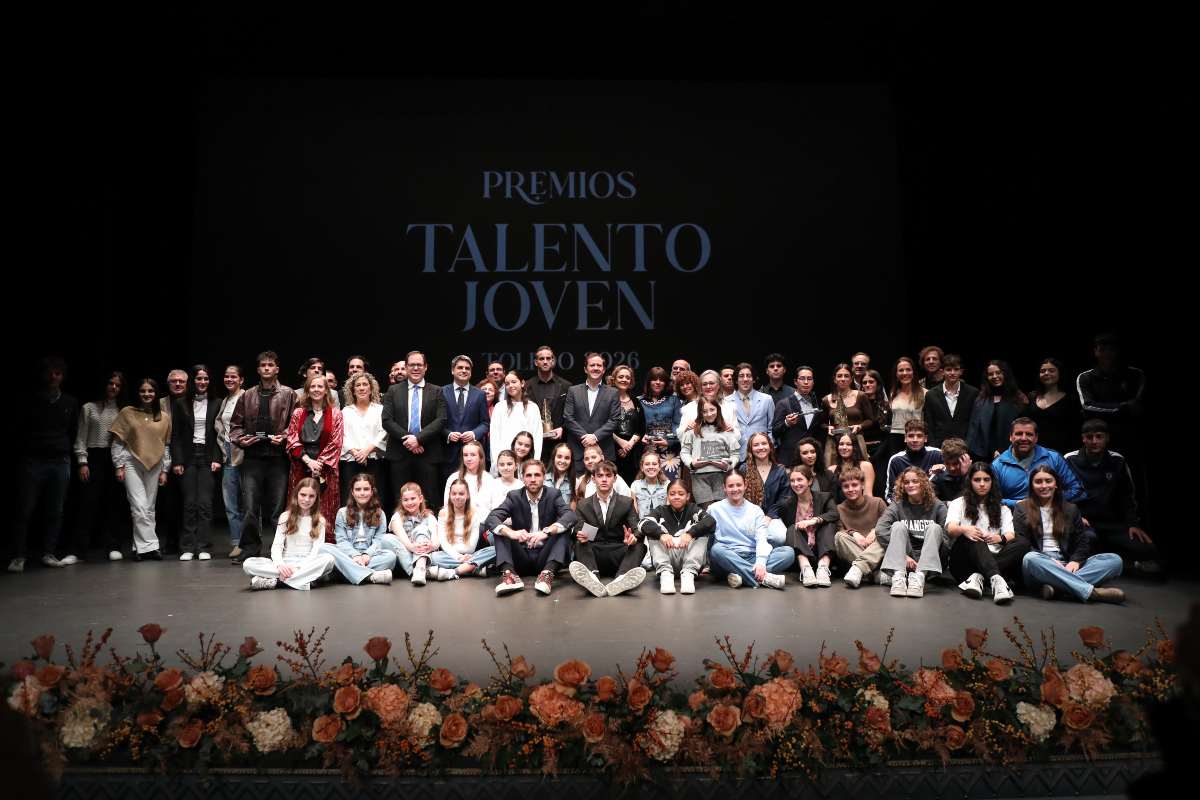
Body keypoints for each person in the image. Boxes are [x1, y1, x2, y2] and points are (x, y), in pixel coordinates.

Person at [1017, 466, 1124, 603]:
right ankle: (1091, 592)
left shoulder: (1070, 509)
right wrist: (1047, 559)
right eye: (1038, 482)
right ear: (1032, 485)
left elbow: (1082, 542)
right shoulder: (1022, 508)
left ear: (1056, 484)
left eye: (1048, 481)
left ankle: (1057, 589)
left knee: (1114, 560)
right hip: (1040, 564)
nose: (1044, 485)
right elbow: (1021, 543)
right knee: (1029, 558)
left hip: (1067, 563)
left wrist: (1075, 561)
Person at [1066, 420, 1160, 574]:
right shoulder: (1070, 459)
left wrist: (1132, 524)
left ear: (1107, 438)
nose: (1094, 441)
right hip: (1083, 522)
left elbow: (1127, 495)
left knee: (1147, 549)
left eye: (1099, 437)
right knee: (1087, 543)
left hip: (1112, 523)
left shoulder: (1118, 460)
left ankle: (1126, 566)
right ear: (1083, 439)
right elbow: (1060, 494)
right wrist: (1074, 516)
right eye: (1089, 437)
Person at [229, 351, 297, 565]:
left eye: (271, 365)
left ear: (277, 369)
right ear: (258, 370)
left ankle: (281, 550)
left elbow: (296, 425)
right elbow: (234, 427)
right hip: (253, 457)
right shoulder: (247, 395)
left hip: (278, 458)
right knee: (250, 507)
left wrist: (285, 437)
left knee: (278, 510)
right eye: (263, 365)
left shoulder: (289, 394)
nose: (267, 368)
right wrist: (241, 440)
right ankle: (250, 548)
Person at [486, 459, 578, 595]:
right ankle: (510, 576)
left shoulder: (553, 495)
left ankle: (547, 576)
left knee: (562, 530)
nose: (533, 479)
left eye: (537, 475)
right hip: (521, 556)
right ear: (522, 478)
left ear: (544, 477)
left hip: (545, 557)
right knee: (500, 531)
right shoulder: (514, 496)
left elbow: (570, 516)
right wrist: (512, 533)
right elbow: (492, 518)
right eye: (529, 475)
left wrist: (547, 531)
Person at [944, 462, 1027, 603]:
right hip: (964, 563)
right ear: (970, 482)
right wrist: (965, 529)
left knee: (1023, 543)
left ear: (992, 482)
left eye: (986, 480)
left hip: (995, 558)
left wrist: (999, 538)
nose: (982, 484)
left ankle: (982, 577)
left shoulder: (1003, 509)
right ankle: (997, 580)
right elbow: (951, 529)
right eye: (977, 480)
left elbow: (1010, 534)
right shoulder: (958, 503)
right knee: (974, 536)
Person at [69, 371, 129, 563]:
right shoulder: (89, 408)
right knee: (87, 503)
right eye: (111, 383)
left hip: (114, 457)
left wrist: (122, 462)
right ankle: (79, 550)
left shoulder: (122, 409)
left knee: (113, 503)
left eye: (118, 385)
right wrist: (82, 461)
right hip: (93, 456)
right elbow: (81, 437)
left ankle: (113, 545)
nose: (114, 387)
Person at [110, 378, 172, 561]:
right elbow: (118, 442)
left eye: (151, 391)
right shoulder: (127, 413)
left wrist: (165, 470)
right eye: (143, 391)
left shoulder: (163, 416)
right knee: (139, 506)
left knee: (149, 508)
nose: (147, 394)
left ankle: (140, 548)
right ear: (138, 393)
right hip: (131, 463)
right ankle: (152, 546)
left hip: (156, 464)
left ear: (156, 393)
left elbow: (166, 445)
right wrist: (118, 465)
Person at [568, 459, 647, 597]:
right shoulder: (583, 505)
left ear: (615, 478)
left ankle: (622, 578)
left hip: (619, 552)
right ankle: (592, 578)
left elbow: (637, 528)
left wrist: (633, 538)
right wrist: (581, 534)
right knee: (579, 544)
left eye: (608, 475)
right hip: (594, 554)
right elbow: (578, 529)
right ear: (593, 479)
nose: (604, 479)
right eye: (600, 476)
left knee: (640, 547)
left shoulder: (626, 502)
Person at [241, 477, 336, 590]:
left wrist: (298, 568)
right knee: (248, 564)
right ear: (296, 495)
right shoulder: (285, 517)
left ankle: (276, 582)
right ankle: (302, 581)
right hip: (285, 563)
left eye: (311, 496)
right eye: (303, 495)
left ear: (316, 498)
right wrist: (280, 565)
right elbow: (277, 546)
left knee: (329, 559)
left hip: (306, 564)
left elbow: (315, 551)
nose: (306, 500)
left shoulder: (320, 521)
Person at [381, 350, 447, 512]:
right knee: (400, 499)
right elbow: (387, 420)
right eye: (412, 365)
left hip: (428, 453)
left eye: (419, 365)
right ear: (406, 367)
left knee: (429, 499)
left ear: (426, 367)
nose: (416, 368)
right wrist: (410, 440)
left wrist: (419, 439)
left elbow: (441, 419)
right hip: (400, 454)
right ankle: (401, 535)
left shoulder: (437, 391)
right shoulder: (393, 391)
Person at [707, 471, 794, 589]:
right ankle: (763, 578)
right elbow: (707, 537)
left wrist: (761, 562)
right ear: (724, 488)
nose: (735, 489)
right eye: (731, 486)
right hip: (727, 556)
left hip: (751, 555)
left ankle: (741, 576)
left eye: (738, 485)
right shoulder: (714, 509)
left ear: (745, 485)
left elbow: (762, 538)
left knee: (788, 553)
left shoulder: (755, 510)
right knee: (716, 550)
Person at [170, 365, 222, 561]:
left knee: (205, 504)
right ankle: (188, 547)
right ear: (193, 381)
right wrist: (177, 460)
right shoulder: (181, 403)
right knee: (190, 503)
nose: (202, 382)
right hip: (189, 456)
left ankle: (204, 546)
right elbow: (175, 435)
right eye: (199, 379)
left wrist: (217, 458)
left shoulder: (217, 402)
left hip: (208, 456)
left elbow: (219, 434)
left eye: (205, 379)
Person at [285, 373, 344, 541]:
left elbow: (336, 442)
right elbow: (292, 440)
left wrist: (319, 464)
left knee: (325, 508)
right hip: (301, 466)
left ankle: (325, 543)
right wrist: (308, 461)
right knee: (300, 504)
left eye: (320, 386)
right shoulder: (298, 413)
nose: (316, 390)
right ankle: (297, 542)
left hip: (325, 469)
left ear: (326, 390)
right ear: (307, 390)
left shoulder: (336, 414)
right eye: (313, 386)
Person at [877, 467, 949, 599]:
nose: (910, 485)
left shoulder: (938, 506)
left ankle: (919, 577)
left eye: (915, 481)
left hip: (930, 560)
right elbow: (880, 529)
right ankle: (899, 577)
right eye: (906, 482)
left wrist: (925, 559)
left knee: (935, 528)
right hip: (907, 558)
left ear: (923, 483)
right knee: (897, 526)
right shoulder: (897, 505)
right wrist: (902, 555)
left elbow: (947, 537)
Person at [638, 480, 715, 594]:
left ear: (688, 496)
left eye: (681, 493)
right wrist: (661, 534)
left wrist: (690, 533)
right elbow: (642, 523)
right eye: (672, 494)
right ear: (667, 496)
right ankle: (666, 574)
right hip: (667, 559)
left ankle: (688, 574)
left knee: (702, 528)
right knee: (653, 529)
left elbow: (710, 521)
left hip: (689, 558)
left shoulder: (693, 509)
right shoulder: (661, 510)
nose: (676, 497)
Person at [992, 418, 1085, 507]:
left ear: (1036, 438)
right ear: (1010, 437)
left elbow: (1077, 490)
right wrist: (1018, 504)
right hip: (1014, 517)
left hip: (1054, 513)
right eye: (1019, 434)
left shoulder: (1053, 457)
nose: (1024, 438)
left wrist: (1049, 501)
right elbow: (991, 499)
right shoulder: (998, 464)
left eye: (1029, 434)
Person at [322, 473, 397, 585]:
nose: (362, 493)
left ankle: (347, 572)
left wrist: (367, 554)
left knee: (390, 557)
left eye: (366, 489)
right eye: (358, 489)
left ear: (372, 491)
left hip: (369, 556)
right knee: (324, 547)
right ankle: (371, 576)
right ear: (352, 492)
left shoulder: (380, 513)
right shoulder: (342, 513)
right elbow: (342, 540)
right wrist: (355, 555)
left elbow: (379, 540)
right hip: (348, 554)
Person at [776, 465, 840, 587]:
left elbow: (834, 514)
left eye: (800, 480)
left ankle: (823, 569)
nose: (795, 484)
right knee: (791, 529)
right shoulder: (786, 505)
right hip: (801, 553)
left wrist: (813, 521)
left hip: (822, 549)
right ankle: (806, 570)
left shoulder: (824, 497)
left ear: (810, 481)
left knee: (828, 525)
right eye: (792, 481)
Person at [563, 352, 621, 471]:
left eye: (599, 366)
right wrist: (585, 437)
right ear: (585, 369)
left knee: (604, 486)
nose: (595, 368)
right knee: (577, 488)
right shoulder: (573, 391)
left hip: (603, 451)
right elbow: (568, 418)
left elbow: (614, 420)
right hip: (578, 451)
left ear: (604, 370)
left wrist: (595, 436)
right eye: (592, 365)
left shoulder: (613, 393)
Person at [833, 467, 889, 588]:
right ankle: (874, 575)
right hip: (855, 549)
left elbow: (889, 524)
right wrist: (853, 533)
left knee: (885, 536)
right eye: (846, 486)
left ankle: (860, 569)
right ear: (842, 489)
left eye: (854, 485)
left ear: (862, 485)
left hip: (878, 551)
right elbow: (839, 531)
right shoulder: (839, 509)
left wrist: (876, 531)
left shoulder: (877, 502)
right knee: (839, 537)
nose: (851, 489)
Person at [680, 396, 741, 506]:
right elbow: (684, 452)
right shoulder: (693, 431)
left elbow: (735, 454)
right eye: (704, 411)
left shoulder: (726, 430)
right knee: (706, 511)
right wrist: (691, 464)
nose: (709, 414)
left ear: (718, 409)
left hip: (721, 476)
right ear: (700, 413)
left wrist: (728, 466)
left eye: (712, 410)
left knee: (722, 510)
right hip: (699, 478)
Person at [388, 481, 451, 585]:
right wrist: (413, 547)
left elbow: (436, 541)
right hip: (406, 554)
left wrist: (432, 546)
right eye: (406, 500)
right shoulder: (397, 517)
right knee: (387, 538)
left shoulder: (429, 517)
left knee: (421, 529)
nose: (409, 502)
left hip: (426, 554)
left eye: (413, 498)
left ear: (420, 499)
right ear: (401, 501)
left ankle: (420, 568)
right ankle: (424, 571)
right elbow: (404, 541)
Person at [339, 372, 387, 505]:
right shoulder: (345, 412)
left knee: (376, 499)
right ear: (352, 390)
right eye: (358, 385)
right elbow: (341, 435)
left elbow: (384, 432)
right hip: (351, 461)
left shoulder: (380, 410)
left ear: (371, 389)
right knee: (349, 499)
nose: (361, 388)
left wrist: (367, 451)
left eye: (365, 384)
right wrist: (355, 452)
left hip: (374, 461)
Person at [432, 478, 496, 577]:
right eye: (454, 494)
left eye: (461, 494)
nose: (457, 497)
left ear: (467, 495)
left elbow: (471, 547)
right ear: (450, 495)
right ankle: (474, 568)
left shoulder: (474, 514)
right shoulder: (443, 513)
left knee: (495, 550)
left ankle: (455, 571)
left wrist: (463, 556)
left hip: (470, 554)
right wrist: (459, 557)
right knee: (435, 557)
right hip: (452, 555)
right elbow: (443, 543)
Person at [441, 355, 489, 484]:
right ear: (452, 370)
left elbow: (485, 423)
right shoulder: (441, 392)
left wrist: (474, 434)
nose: (464, 370)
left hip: (472, 453)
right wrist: (448, 434)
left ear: (471, 372)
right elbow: (436, 421)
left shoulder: (479, 394)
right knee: (450, 488)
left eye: (467, 368)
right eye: (460, 367)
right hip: (448, 452)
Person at [214, 365, 246, 559]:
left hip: (245, 453)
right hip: (227, 452)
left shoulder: (247, 396)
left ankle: (250, 542)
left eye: (233, 376)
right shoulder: (225, 400)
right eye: (226, 376)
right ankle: (237, 542)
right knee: (231, 503)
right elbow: (220, 427)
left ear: (241, 379)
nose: (229, 379)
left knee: (249, 502)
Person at [967, 360, 1028, 460]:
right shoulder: (981, 399)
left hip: (1011, 451)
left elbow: (1021, 427)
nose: (995, 376)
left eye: (998, 373)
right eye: (991, 374)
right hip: (983, 453)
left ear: (1005, 374)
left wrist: (1002, 450)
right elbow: (973, 428)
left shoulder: (1018, 398)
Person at [772, 366, 828, 468]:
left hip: (811, 460)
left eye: (809, 379)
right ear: (795, 382)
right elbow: (774, 432)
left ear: (813, 382)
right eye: (802, 379)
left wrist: (828, 428)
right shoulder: (784, 404)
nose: (806, 382)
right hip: (789, 460)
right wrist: (787, 423)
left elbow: (817, 430)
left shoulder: (817, 403)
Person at [821, 363, 874, 466]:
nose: (843, 379)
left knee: (858, 472)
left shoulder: (860, 396)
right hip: (834, 442)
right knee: (833, 474)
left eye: (846, 376)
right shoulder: (826, 400)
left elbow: (870, 420)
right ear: (834, 379)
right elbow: (821, 423)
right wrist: (828, 427)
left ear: (851, 378)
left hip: (855, 440)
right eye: (839, 376)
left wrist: (860, 426)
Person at [1026, 357, 1081, 457]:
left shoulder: (1071, 399)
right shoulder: (1032, 396)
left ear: (1059, 373)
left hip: (1061, 451)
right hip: (1034, 451)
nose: (1046, 373)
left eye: (1051, 370)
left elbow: (1075, 429)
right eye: (1043, 371)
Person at [489, 370, 542, 473]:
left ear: (522, 383)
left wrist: (534, 463)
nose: (510, 386)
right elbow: (494, 438)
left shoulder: (532, 407)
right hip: (505, 463)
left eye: (514, 382)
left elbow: (537, 437)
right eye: (507, 383)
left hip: (526, 462)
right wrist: (497, 463)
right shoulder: (500, 407)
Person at [638, 366, 684, 482]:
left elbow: (677, 424)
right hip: (647, 450)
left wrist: (669, 441)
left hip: (669, 452)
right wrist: (640, 437)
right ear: (649, 382)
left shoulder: (673, 399)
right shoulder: (639, 401)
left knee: (670, 486)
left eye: (661, 380)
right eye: (654, 379)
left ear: (666, 383)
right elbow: (636, 425)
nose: (658, 382)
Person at [922, 353, 978, 448]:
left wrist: (968, 445)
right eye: (948, 369)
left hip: (965, 446)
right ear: (942, 372)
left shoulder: (972, 393)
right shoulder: (931, 394)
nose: (952, 373)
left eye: (956, 369)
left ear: (961, 371)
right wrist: (933, 447)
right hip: (939, 447)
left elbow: (974, 422)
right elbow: (929, 424)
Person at [879, 357, 925, 470]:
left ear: (913, 372)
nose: (905, 373)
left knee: (917, 471)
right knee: (899, 472)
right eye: (901, 370)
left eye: (908, 369)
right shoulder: (893, 393)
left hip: (916, 437)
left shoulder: (925, 393)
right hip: (895, 438)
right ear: (896, 374)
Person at [527, 345, 572, 459]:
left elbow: (572, 413)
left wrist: (563, 428)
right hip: (533, 444)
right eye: (542, 359)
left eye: (548, 358)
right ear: (536, 362)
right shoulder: (526, 386)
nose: (545, 361)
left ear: (553, 361)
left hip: (559, 443)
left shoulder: (566, 386)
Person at [883, 419, 943, 498]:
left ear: (925, 438)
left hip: (934, 505)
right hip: (905, 507)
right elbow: (890, 494)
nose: (915, 440)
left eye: (919, 436)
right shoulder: (896, 460)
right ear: (905, 438)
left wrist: (943, 468)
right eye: (911, 436)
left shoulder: (937, 454)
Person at [729, 363, 774, 461]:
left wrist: (768, 448)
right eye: (741, 376)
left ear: (753, 379)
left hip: (762, 454)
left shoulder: (767, 399)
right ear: (736, 380)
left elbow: (771, 428)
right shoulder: (726, 402)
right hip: (737, 456)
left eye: (748, 376)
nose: (745, 379)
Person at [610, 364, 646, 484]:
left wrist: (629, 445)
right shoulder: (606, 400)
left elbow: (641, 427)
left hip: (633, 453)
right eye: (621, 377)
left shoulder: (636, 401)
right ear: (614, 379)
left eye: (627, 377)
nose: (624, 379)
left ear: (631, 381)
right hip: (613, 450)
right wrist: (621, 442)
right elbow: (602, 424)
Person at [677, 369, 739, 438]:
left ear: (718, 385)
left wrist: (732, 430)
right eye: (704, 384)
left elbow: (738, 435)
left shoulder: (730, 407)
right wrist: (686, 429)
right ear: (700, 387)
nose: (708, 387)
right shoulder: (688, 408)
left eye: (711, 383)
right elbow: (680, 435)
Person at [442, 440, 497, 516]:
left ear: (480, 457)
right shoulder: (453, 478)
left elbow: (494, 508)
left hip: (484, 523)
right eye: (465, 455)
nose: (468, 459)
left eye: (473, 455)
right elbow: (447, 506)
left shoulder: (489, 479)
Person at [741, 432, 789, 518]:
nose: (761, 447)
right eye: (756, 445)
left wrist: (770, 516)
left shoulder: (780, 471)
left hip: (774, 518)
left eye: (764, 443)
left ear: (770, 446)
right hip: (747, 517)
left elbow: (784, 498)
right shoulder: (744, 469)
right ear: (750, 449)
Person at [826, 431, 875, 503]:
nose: (844, 447)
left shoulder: (865, 466)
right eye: (841, 444)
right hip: (838, 510)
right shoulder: (831, 470)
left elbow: (868, 494)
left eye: (848, 444)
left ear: (855, 447)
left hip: (861, 509)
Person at [859, 369, 890, 456]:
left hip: (881, 450)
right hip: (860, 449)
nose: (867, 385)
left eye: (871, 382)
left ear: (878, 384)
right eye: (864, 383)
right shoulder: (857, 406)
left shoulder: (886, 406)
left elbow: (888, 433)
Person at [630, 450, 669, 520]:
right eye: (647, 464)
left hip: (661, 526)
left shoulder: (667, 485)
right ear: (642, 467)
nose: (651, 467)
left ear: (659, 467)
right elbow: (633, 512)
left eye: (654, 464)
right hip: (641, 525)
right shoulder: (635, 485)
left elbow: (669, 510)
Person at [547, 442, 577, 507]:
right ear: (554, 457)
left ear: (571, 461)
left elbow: (571, 512)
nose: (562, 461)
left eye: (567, 458)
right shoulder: (543, 479)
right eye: (559, 457)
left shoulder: (575, 481)